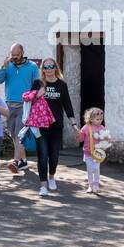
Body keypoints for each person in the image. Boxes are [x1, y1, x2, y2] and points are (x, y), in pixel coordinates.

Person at [29, 57, 75, 195]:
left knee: (54, 156)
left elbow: (67, 105)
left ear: (56, 68)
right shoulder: (38, 83)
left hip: (56, 126)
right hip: (40, 126)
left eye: (51, 67)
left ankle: (51, 177)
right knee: (42, 155)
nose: (48, 70)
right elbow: (29, 102)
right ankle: (43, 185)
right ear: (42, 69)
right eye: (46, 67)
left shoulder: (62, 85)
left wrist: (74, 123)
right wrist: (37, 95)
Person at [0, 44, 39, 174]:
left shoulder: (32, 67)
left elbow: (36, 85)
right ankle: (23, 161)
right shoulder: (8, 66)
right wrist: (4, 66)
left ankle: (15, 162)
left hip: (24, 105)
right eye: (12, 55)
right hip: (9, 105)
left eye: (17, 55)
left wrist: (34, 101)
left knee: (20, 133)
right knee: (14, 135)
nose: (14, 58)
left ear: (23, 52)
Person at [77, 108, 110, 195]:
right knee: (90, 170)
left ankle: (96, 185)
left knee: (96, 169)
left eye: (101, 119)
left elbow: (107, 138)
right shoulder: (86, 127)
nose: (100, 121)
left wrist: (107, 139)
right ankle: (90, 186)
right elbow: (80, 139)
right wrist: (79, 134)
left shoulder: (102, 128)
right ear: (91, 119)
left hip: (98, 153)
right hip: (88, 152)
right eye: (97, 119)